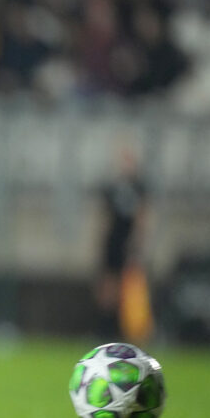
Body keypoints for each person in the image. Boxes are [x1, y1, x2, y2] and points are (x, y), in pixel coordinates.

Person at [95, 142, 149, 341]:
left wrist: (137, 242)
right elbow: (105, 217)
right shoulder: (112, 187)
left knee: (129, 288)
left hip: (128, 243)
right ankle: (105, 331)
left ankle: (127, 332)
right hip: (113, 242)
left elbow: (142, 216)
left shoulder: (139, 187)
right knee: (107, 288)